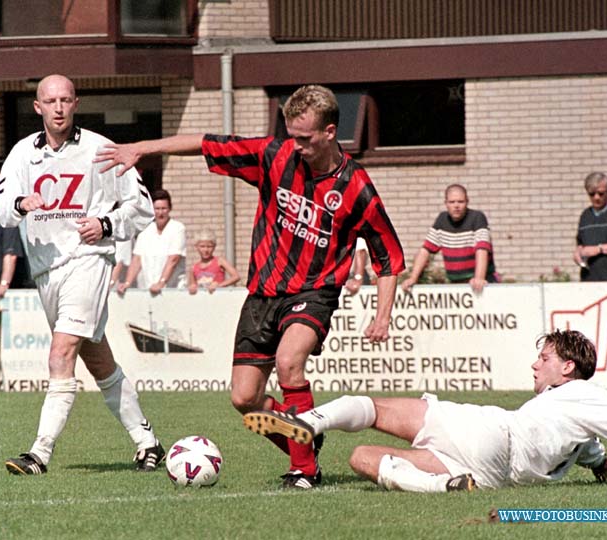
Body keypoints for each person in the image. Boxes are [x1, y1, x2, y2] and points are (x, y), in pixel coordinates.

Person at [96, 84, 406, 489]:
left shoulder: (356, 187)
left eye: (305, 139)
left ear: (330, 132)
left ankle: (303, 471)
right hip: (263, 294)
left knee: (289, 362)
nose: (296, 146)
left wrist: (382, 317)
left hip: (314, 294)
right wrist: (142, 147)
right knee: (245, 399)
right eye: (291, 136)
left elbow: (389, 257)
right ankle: (306, 436)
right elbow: (205, 143)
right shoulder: (274, 155)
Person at [244, 329, 607, 492]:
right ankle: (445, 486)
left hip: (495, 432)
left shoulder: (589, 394)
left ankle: (306, 422)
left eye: (543, 359)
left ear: (567, 367)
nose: (534, 365)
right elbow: (595, 450)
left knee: (372, 406)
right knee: (363, 460)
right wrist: (606, 475)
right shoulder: (574, 412)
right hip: (492, 472)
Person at [0, 74, 163, 476]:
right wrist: (20, 202)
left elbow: (142, 209)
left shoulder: (101, 149)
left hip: (89, 261)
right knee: (98, 360)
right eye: (50, 101)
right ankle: (147, 442)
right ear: (38, 107)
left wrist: (104, 224)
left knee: (60, 352)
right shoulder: (21, 154)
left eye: (66, 100)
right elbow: (0, 211)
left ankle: (39, 453)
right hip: (46, 272)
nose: (58, 107)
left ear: (76, 103)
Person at [400, 184, 496, 294]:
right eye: (452, 202)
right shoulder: (442, 220)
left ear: (467, 202)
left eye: (460, 202)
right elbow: (425, 250)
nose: (456, 206)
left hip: (482, 283)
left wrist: (479, 278)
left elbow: (482, 249)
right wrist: (413, 278)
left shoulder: (477, 218)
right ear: (446, 203)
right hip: (455, 284)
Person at [117, 189, 186, 296]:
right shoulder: (145, 230)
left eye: (164, 208)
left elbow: (173, 259)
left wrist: (161, 283)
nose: (160, 213)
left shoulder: (178, 228)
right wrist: (127, 283)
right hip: (147, 290)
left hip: (172, 291)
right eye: (157, 209)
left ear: (170, 209)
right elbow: (137, 259)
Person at [186, 229, 240, 294]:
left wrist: (219, 286)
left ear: (214, 247)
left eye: (209, 246)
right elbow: (192, 286)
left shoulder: (219, 261)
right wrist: (192, 288)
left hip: (218, 299)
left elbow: (236, 276)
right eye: (202, 246)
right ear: (196, 247)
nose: (206, 250)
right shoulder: (194, 267)